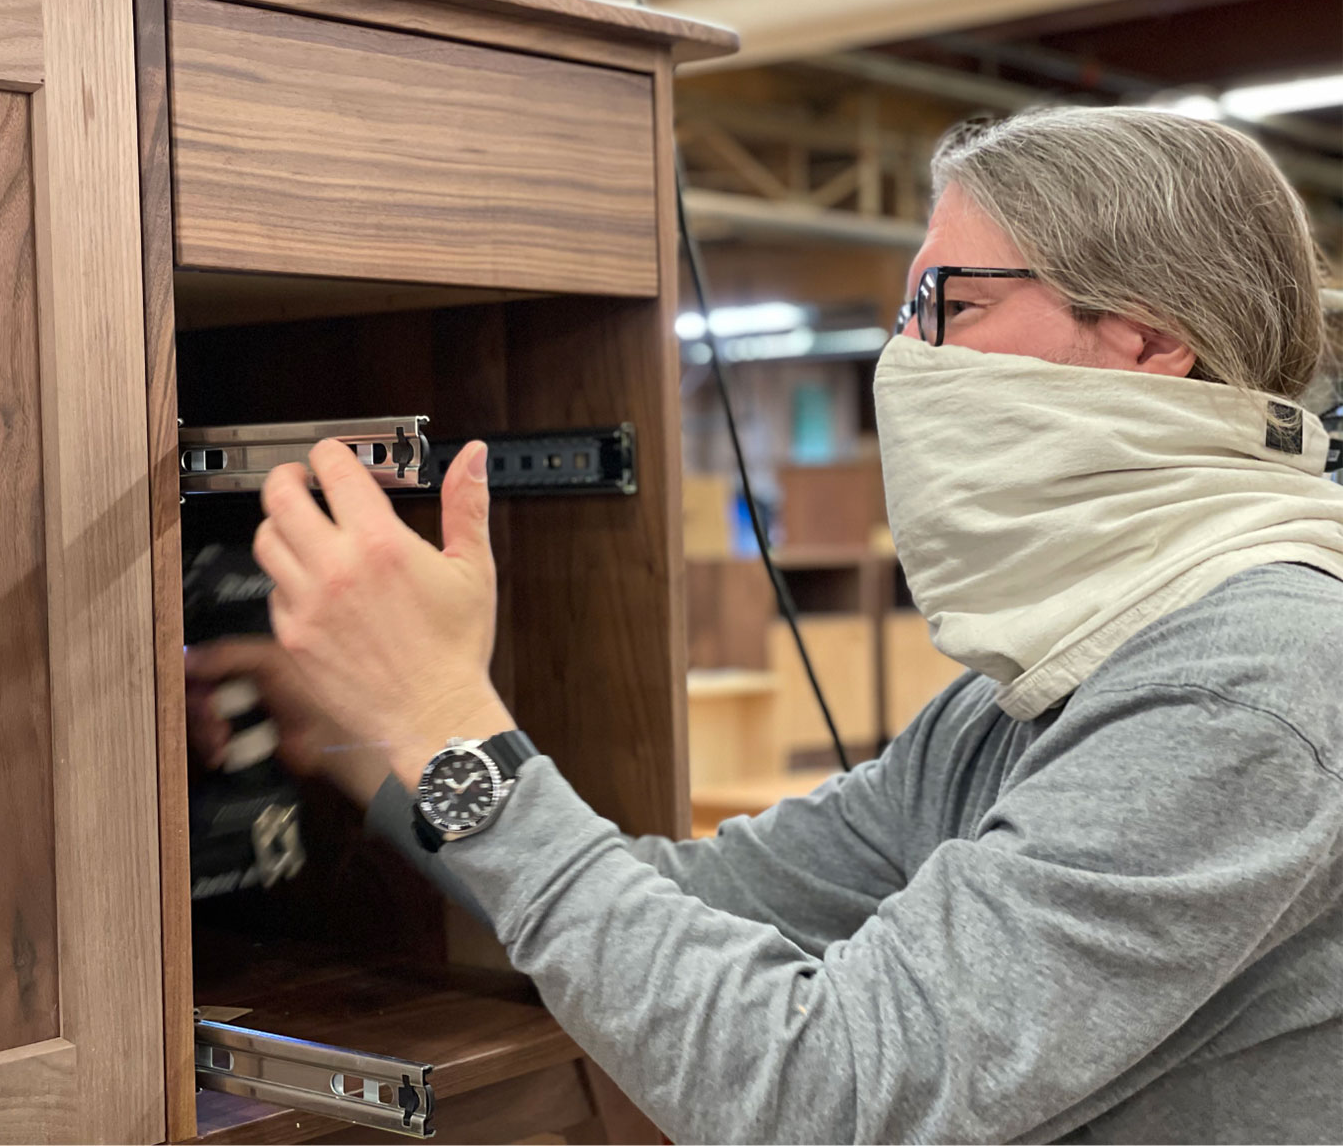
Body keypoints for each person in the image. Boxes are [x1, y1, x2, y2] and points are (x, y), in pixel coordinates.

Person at [185, 106, 1343, 1143]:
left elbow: (826, 1093)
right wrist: (370, 737)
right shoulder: (1031, 692)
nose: (906, 355)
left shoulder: (1242, 681)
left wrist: (451, 724)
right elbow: (675, 898)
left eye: (952, 305)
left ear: (1144, 341)